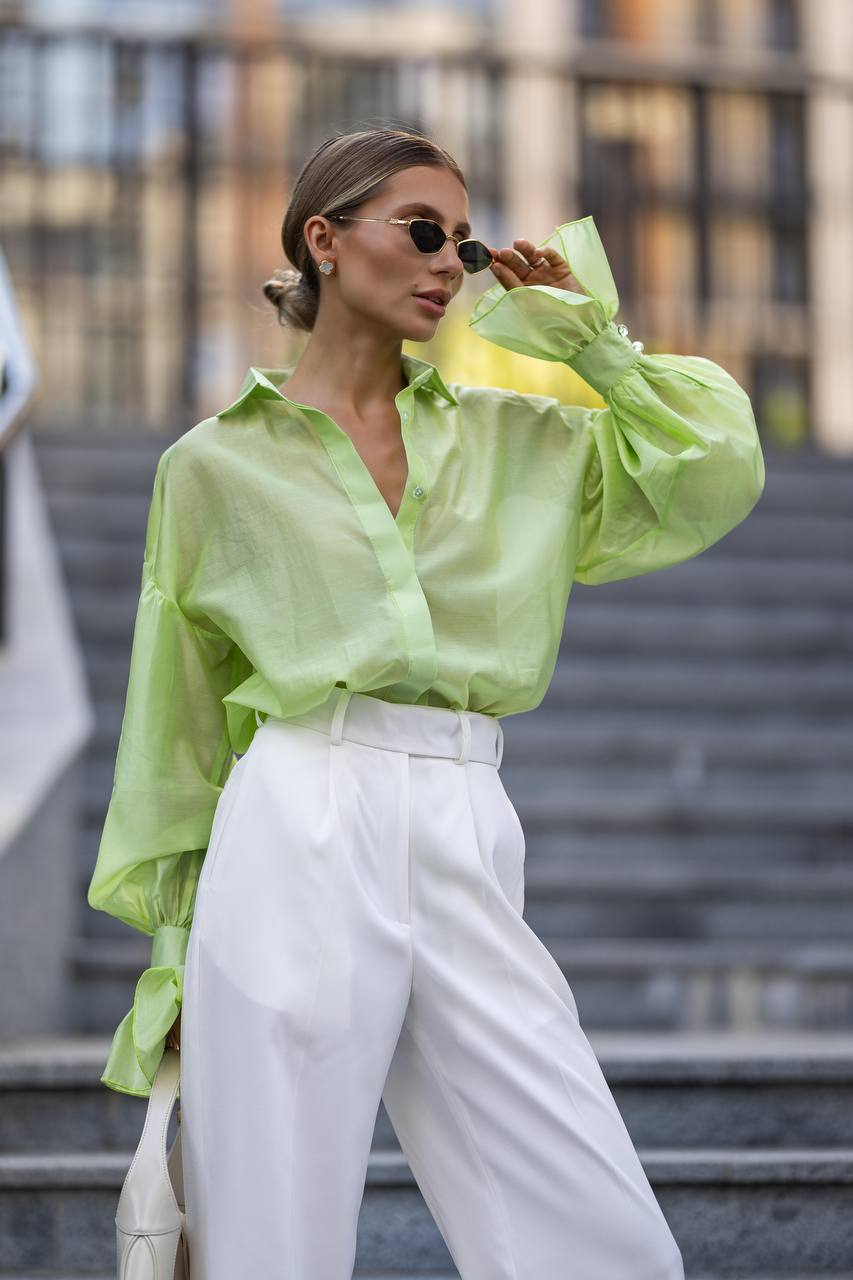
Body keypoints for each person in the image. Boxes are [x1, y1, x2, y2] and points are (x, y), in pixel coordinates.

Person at [87, 124, 764, 1278]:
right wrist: (172, 965)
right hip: (289, 814)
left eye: (462, 238)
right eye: (419, 231)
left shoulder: (525, 443)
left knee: (601, 1235)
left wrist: (586, 339)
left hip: (462, 809)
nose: (450, 262)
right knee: (269, 1241)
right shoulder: (211, 466)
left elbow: (712, 462)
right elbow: (179, 731)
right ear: (325, 240)